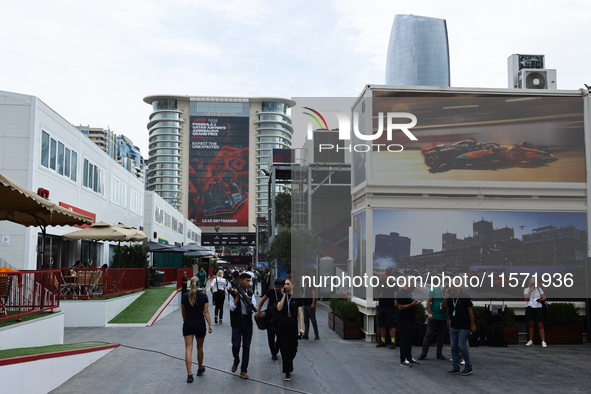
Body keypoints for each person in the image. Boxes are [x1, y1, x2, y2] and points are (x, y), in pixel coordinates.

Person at [181, 277, 213, 382]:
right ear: (199, 285)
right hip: (200, 323)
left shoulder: (185, 296)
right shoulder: (203, 296)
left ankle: (189, 375)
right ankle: (200, 368)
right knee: (200, 347)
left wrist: (186, 321)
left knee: (188, 349)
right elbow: (206, 312)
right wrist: (210, 325)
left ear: (190, 285)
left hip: (188, 323)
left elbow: (183, 313)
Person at [442, 284, 476, 376]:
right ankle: (456, 367)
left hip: (464, 326)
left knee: (461, 345)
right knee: (453, 347)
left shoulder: (465, 296)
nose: (450, 287)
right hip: (453, 325)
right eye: (449, 286)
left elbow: (470, 311)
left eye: (452, 286)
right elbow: (444, 308)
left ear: (458, 287)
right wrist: (446, 297)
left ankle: (468, 367)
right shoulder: (450, 297)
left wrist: (472, 324)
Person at [229, 272, 257, 379]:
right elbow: (232, 308)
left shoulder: (250, 293)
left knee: (246, 347)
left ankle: (244, 370)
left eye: (250, 281)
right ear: (241, 281)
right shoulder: (233, 293)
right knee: (235, 345)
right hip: (237, 322)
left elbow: (254, 306)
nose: (249, 283)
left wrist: (247, 299)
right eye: (247, 281)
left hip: (247, 322)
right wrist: (237, 297)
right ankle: (236, 360)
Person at [276, 278, 304, 381]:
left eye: (288, 284)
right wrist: (283, 296)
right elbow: (279, 308)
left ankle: (289, 362)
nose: (286, 286)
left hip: (293, 326)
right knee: (284, 349)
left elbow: (300, 314)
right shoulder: (280, 295)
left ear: (292, 285)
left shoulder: (297, 297)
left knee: (293, 349)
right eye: (285, 284)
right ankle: (287, 371)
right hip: (282, 326)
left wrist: (301, 327)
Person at [256, 278, 284, 360]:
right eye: (276, 287)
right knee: (270, 337)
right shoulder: (271, 291)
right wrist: (258, 311)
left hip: (279, 318)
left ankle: (276, 349)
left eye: (279, 287)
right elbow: (262, 300)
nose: (277, 288)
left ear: (282, 286)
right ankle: (273, 353)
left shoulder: (284, 294)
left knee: (280, 337)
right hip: (270, 317)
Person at [418, 283, 448, 360]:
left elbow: (450, 305)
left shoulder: (449, 291)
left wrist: (448, 318)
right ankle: (423, 353)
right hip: (434, 316)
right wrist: (430, 313)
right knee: (428, 334)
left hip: (443, 317)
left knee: (441, 336)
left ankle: (439, 353)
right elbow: (428, 301)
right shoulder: (434, 289)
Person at [397, 280, 419, 368]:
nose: (413, 289)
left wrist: (413, 304)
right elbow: (400, 307)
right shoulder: (401, 293)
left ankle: (409, 357)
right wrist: (412, 305)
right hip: (404, 320)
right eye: (412, 288)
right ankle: (403, 359)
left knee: (409, 340)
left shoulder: (408, 293)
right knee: (404, 340)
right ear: (408, 285)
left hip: (409, 320)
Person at [375, 271, 397, 349]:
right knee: (381, 325)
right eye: (381, 275)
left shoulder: (391, 283)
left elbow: (399, 290)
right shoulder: (379, 284)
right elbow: (378, 293)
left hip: (390, 307)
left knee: (391, 326)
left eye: (383, 275)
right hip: (381, 307)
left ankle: (393, 342)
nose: (382, 277)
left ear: (387, 276)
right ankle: (383, 341)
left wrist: (397, 301)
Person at [524, 277, 547, 348]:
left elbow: (545, 297)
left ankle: (543, 341)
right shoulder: (526, 289)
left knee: (540, 325)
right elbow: (526, 299)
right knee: (531, 325)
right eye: (533, 283)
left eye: (535, 283)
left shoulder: (539, 289)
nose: (534, 285)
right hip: (530, 308)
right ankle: (530, 340)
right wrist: (530, 291)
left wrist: (541, 300)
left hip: (538, 308)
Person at [300, 275, 319, 340]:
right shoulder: (302, 285)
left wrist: (313, 303)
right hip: (305, 304)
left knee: (313, 320)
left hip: (310, 304)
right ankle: (306, 334)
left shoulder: (311, 285)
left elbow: (314, 294)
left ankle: (316, 335)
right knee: (306, 320)